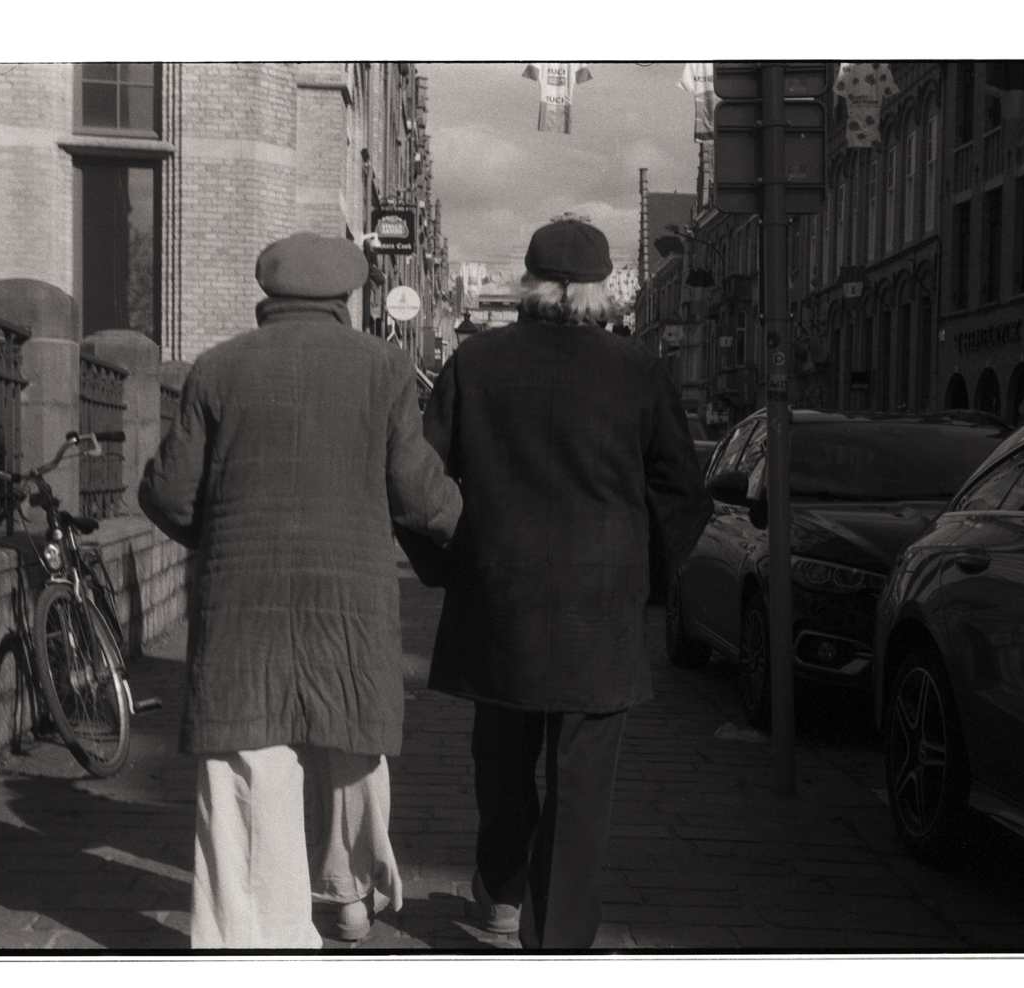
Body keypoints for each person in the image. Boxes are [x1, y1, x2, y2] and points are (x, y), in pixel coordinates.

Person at [139, 233, 461, 949]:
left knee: (249, 756)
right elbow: (416, 493)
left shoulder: (216, 369)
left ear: (269, 294)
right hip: (349, 596)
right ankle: (346, 894)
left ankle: (262, 938)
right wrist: (463, 526)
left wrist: (218, 539)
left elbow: (166, 492)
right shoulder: (384, 367)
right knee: (351, 739)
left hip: (242, 599)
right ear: (345, 297)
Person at [420, 219, 712, 949]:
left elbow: (417, 480)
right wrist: (647, 576)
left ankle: (500, 891)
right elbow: (682, 489)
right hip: (600, 605)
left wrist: (447, 565)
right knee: (583, 784)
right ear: (602, 289)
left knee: (501, 760)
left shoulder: (476, 363)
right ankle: (558, 939)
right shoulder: (638, 371)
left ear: (531, 282)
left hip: (498, 594)